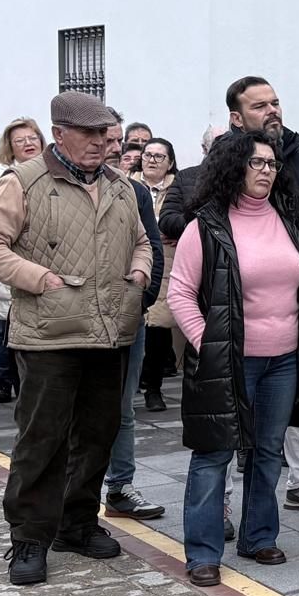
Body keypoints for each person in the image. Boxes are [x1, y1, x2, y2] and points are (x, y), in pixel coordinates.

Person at [0, 93, 150, 586]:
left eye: (106, 134)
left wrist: (140, 270)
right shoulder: (24, 181)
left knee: (98, 436)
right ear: (60, 135)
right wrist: (40, 279)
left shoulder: (120, 186)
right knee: (42, 440)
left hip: (108, 331)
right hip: (48, 335)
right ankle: (29, 538)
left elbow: (141, 241)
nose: (102, 143)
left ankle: (76, 525)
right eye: (91, 134)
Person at [169, 130, 299, 587]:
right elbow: (180, 293)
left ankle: (258, 536)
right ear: (233, 166)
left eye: (272, 164)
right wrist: (209, 346)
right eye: (256, 163)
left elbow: (292, 276)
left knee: (268, 452)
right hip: (229, 362)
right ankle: (202, 551)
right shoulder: (207, 225)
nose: (266, 172)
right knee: (214, 454)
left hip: (283, 360)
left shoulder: (288, 219)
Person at [216, 77, 299, 518]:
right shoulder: (223, 163)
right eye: (260, 106)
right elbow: (189, 215)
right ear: (237, 118)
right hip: (241, 309)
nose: (272, 110)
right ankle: (223, 502)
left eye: (275, 103)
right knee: (233, 411)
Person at [99, 113, 167, 523]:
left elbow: (152, 247)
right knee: (75, 410)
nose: (111, 146)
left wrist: (142, 298)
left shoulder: (134, 191)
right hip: (72, 319)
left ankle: (120, 487)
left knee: (122, 407)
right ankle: (69, 497)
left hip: (127, 316)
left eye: (117, 140)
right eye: (106, 139)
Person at [0, 117, 44, 405]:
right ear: (10, 148)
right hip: (11, 266)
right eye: (20, 141)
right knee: (6, 330)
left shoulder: (52, 172)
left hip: (46, 267)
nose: (28, 144)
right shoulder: (0, 178)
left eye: (32, 138)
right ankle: (5, 381)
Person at [136, 138, 179, 412]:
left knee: (159, 326)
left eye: (159, 156)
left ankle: (154, 388)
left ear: (170, 163)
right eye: (148, 155)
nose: (152, 160)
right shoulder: (127, 184)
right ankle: (133, 382)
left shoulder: (178, 189)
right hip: (135, 259)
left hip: (168, 262)